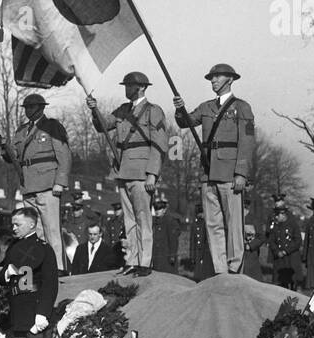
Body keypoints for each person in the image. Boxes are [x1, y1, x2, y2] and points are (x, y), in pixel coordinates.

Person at [173, 62, 256, 275]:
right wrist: (179, 108)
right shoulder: (206, 107)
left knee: (234, 224)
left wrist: (241, 173)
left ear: (230, 79)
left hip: (230, 174)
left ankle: (234, 267)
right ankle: (220, 270)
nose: (213, 81)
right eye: (211, 78)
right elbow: (186, 122)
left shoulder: (242, 107)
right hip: (208, 172)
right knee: (213, 224)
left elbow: (246, 143)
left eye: (217, 77)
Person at [88, 72, 168, 277]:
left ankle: (145, 261)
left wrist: (152, 174)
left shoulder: (153, 111)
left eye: (130, 85)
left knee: (143, 218)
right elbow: (102, 126)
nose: (126, 88)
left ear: (141, 87)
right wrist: (94, 109)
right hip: (122, 171)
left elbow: (159, 144)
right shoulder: (123, 110)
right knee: (129, 220)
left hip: (142, 172)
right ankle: (132, 260)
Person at [0, 92, 71, 272]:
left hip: (48, 184)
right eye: (26, 108)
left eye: (32, 107)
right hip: (28, 184)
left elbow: (64, 155)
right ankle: (43, 266)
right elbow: (14, 158)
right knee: (36, 230)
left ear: (41, 108)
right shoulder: (21, 131)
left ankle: (59, 267)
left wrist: (60, 182)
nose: (28, 111)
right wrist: (4, 148)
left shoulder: (52, 127)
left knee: (52, 229)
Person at [0, 206, 58, 336]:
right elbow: (1, 278)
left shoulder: (44, 248)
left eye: (18, 224)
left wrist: (43, 313)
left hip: (34, 310)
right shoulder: (13, 247)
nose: (14, 228)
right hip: (13, 310)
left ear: (31, 224)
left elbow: (50, 284)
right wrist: (7, 272)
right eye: (13, 224)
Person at [266, 206, 303, 289]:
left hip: (291, 258)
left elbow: (298, 241)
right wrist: (276, 251)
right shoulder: (275, 226)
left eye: (277, 215)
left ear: (283, 215)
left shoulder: (293, 225)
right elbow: (271, 241)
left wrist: (286, 251)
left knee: (293, 282)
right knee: (280, 283)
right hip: (279, 258)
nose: (276, 217)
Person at [150, 198, 182, 273]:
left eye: (160, 209)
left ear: (164, 210)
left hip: (167, 255)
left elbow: (173, 240)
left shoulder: (170, 221)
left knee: (168, 276)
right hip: (157, 255)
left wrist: (172, 255)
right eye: (156, 209)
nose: (157, 211)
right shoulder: (154, 222)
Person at [188, 200, 215, 281]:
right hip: (197, 252)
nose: (201, 215)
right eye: (199, 214)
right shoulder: (194, 224)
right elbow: (192, 241)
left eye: (202, 213)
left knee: (207, 274)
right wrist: (192, 256)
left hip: (206, 252)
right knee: (198, 275)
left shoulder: (207, 223)